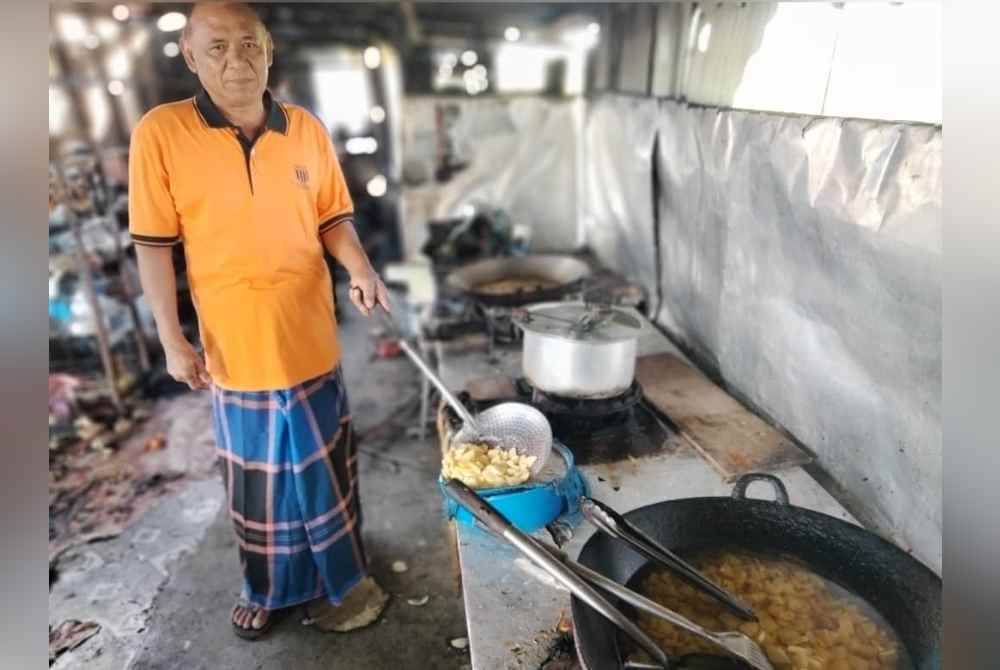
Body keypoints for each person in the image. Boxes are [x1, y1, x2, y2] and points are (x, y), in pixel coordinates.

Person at [128, 2, 391, 640]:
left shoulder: (305, 130)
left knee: (325, 468)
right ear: (190, 56)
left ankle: (343, 574)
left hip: (308, 334)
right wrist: (171, 338)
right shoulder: (162, 133)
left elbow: (334, 217)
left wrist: (360, 267)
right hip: (234, 346)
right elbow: (154, 245)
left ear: (270, 50)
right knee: (260, 486)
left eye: (249, 45)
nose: (236, 61)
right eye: (216, 48)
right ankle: (270, 587)